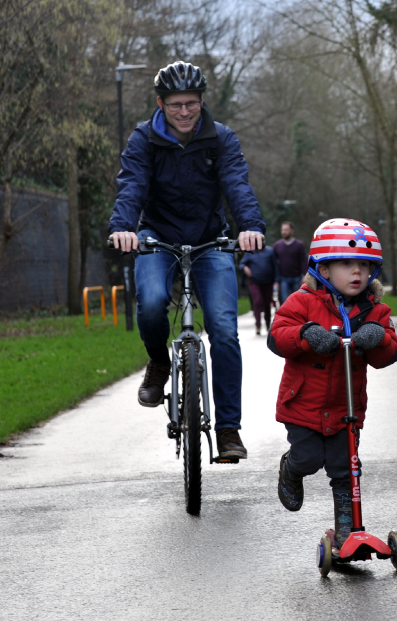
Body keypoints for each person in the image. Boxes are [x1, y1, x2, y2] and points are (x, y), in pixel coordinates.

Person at [109, 60, 265, 460]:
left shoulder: (221, 139)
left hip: (210, 238)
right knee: (152, 304)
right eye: (176, 104)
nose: (184, 112)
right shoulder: (144, 139)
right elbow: (132, 185)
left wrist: (249, 225)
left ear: (201, 102)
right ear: (161, 103)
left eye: (191, 104)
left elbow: (236, 184)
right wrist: (124, 226)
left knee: (225, 331)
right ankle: (159, 364)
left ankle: (229, 429)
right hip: (156, 234)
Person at [267, 219, 397, 547]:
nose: (357, 272)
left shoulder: (375, 310)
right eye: (346, 264)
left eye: (364, 265)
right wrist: (305, 334)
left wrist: (378, 337)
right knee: (309, 458)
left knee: (345, 467)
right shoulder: (302, 302)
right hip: (304, 406)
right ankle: (291, 469)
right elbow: (277, 336)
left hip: (346, 409)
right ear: (323, 270)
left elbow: (391, 352)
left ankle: (347, 527)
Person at [240, 244, 277, 335]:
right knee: (257, 301)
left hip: (268, 282)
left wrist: (276, 281)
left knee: (267, 303)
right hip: (254, 281)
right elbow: (241, 264)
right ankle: (258, 325)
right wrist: (245, 268)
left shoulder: (270, 251)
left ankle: (268, 323)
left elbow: (275, 266)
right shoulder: (250, 252)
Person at [274, 221, 309, 305]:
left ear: (291, 231)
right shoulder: (277, 246)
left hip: (296, 278)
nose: (284, 232)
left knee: (297, 301)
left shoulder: (299, 245)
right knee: (285, 302)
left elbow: (303, 261)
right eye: (282, 230)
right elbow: (274, 264)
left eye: (286, 230)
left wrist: (304, 275)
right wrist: (276, 279)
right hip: (283, 278)